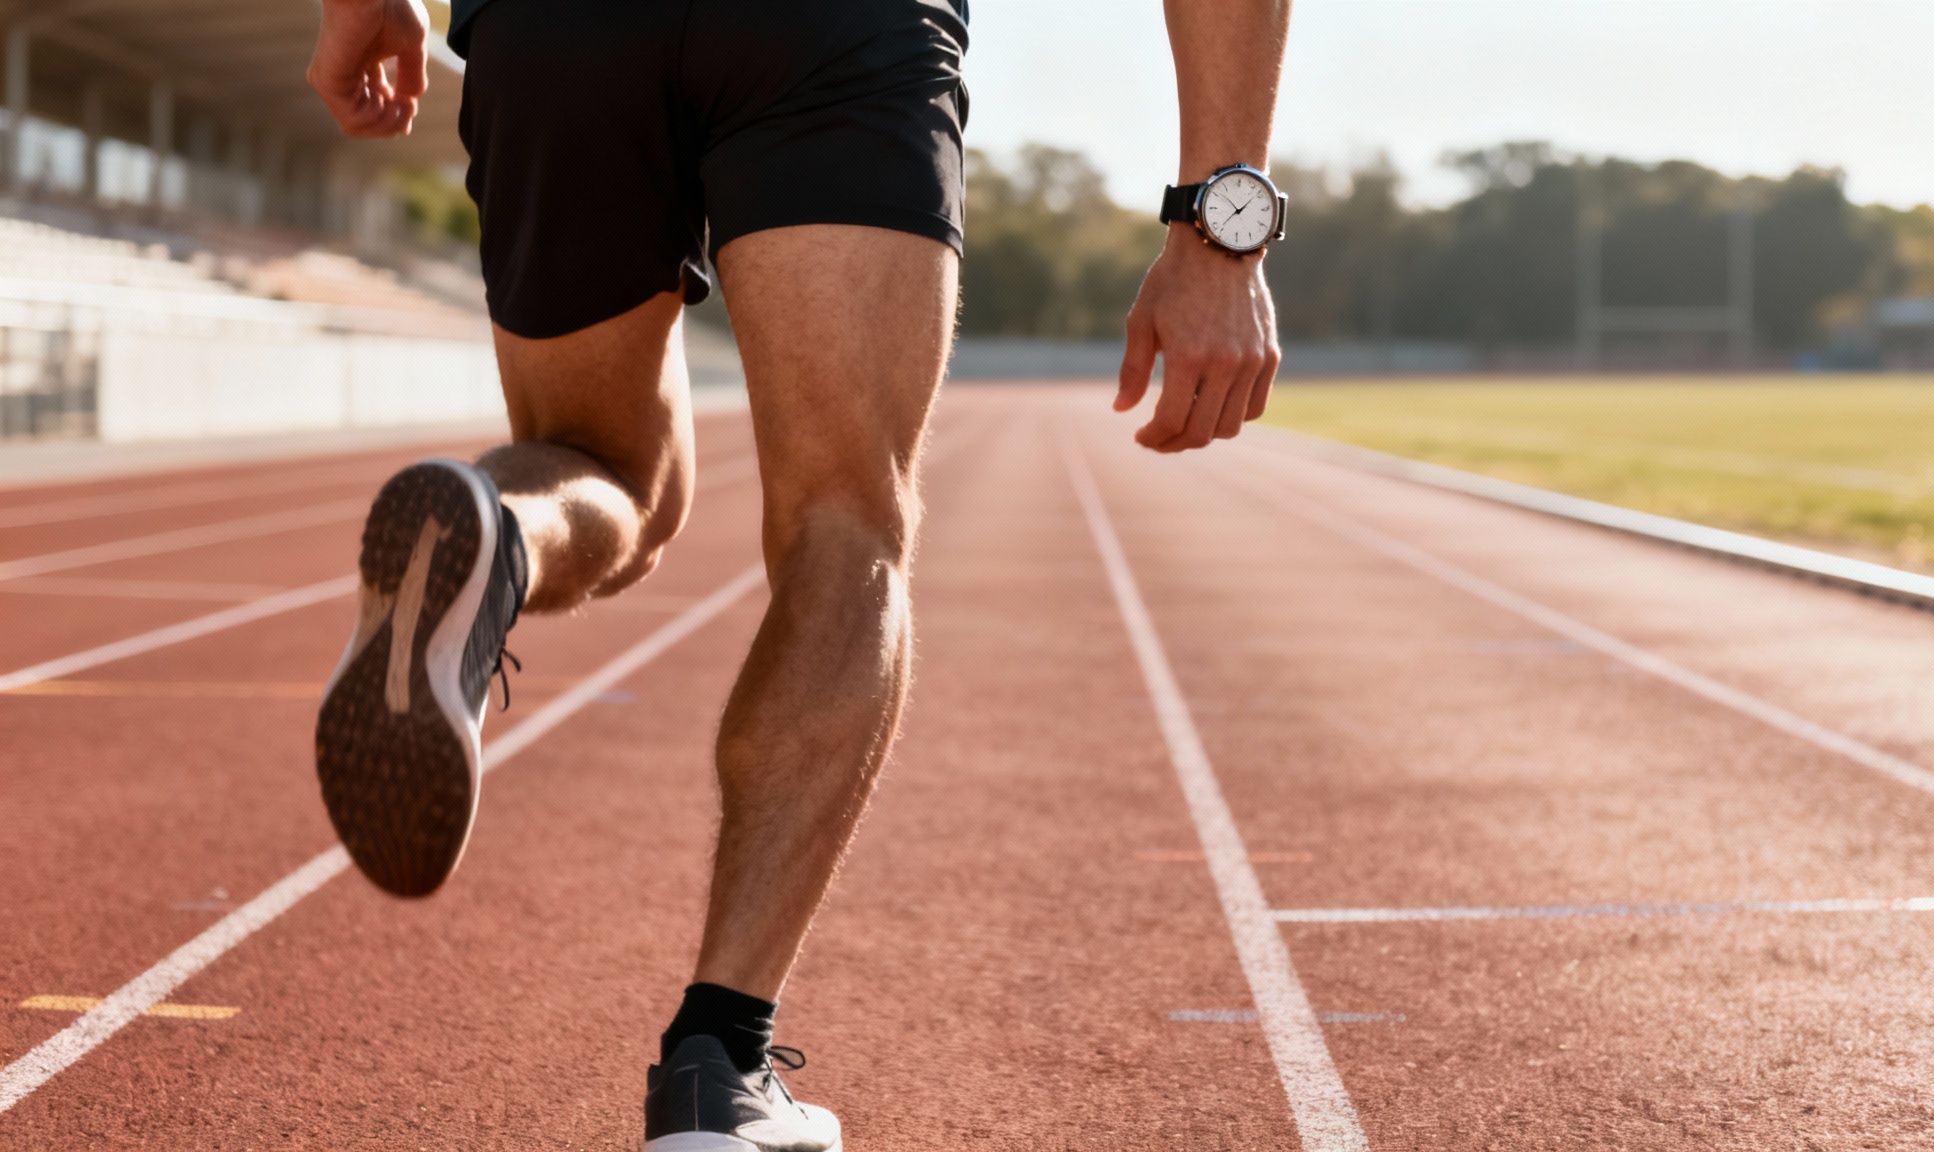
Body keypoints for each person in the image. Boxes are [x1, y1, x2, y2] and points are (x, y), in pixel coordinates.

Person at [305, 0, 1290, 1147]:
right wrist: (1221, 231)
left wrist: (363, 7)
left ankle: (504, 533)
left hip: (558, 25)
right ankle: (715, 1068)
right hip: (829, 28)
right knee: (844, 522)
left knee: (600, 467)